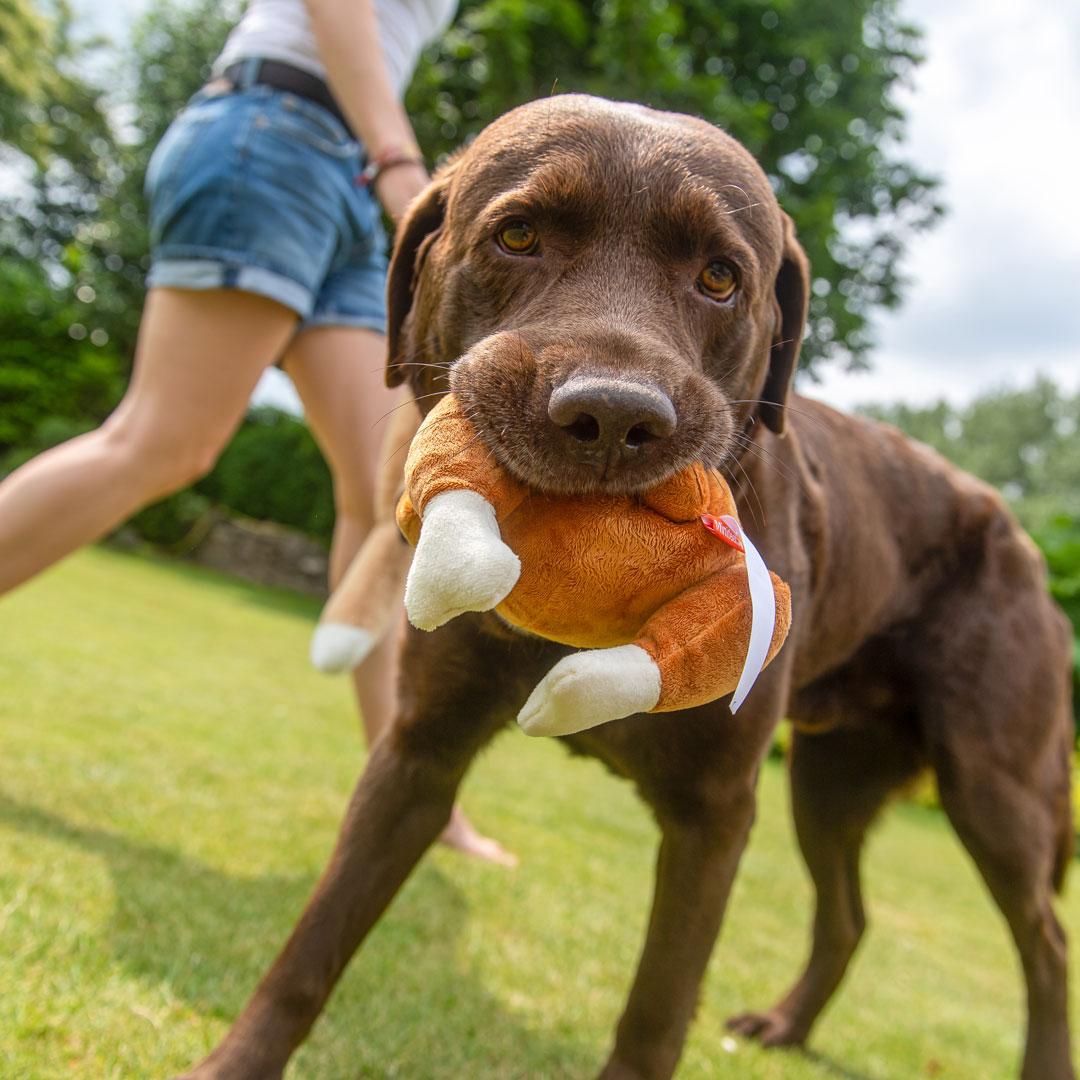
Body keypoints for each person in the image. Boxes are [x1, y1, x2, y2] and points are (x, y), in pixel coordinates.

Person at [0, 0, 515, 865]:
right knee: (164, 441)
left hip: (347, 174)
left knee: (386, 494)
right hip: (276, 135)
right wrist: (400, 161)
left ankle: (412, 794)